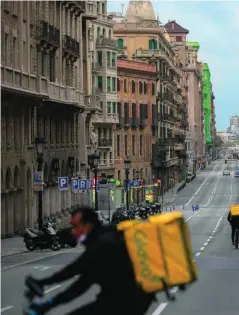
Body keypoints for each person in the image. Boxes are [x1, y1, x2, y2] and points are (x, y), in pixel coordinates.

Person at [28, 206, 155, 315]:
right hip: (131, 298)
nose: (72, 231)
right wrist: (44, 285)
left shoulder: (102, 246)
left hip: (129, 301)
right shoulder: (104, 235)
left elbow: (80, 283)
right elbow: (74, 270)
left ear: (87, 226)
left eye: (75, 226)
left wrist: (47, 304)